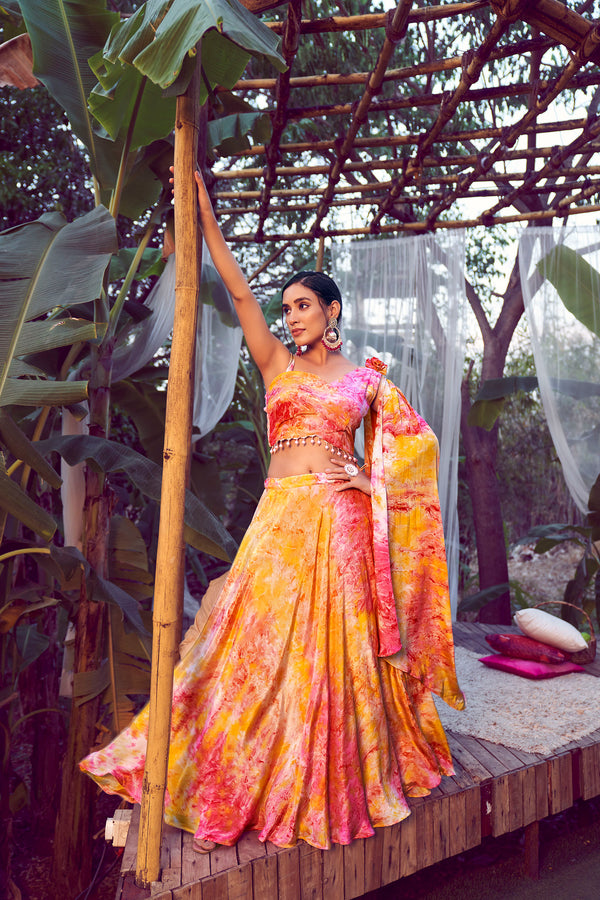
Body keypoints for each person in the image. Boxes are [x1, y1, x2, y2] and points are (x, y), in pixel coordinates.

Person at [80, 168, 464, 853]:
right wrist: (202, 212)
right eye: (287, 307)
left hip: (340, 523)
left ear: (331, 312)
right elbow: (236, 290)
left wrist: (368, 479)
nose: (292, 316)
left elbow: (417, 446)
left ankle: (326, 777)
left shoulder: (365, 380)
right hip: (279, 519)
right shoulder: (276, 364)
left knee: (333, 654)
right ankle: (224, 785)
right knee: (249, 646)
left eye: (304, 306)